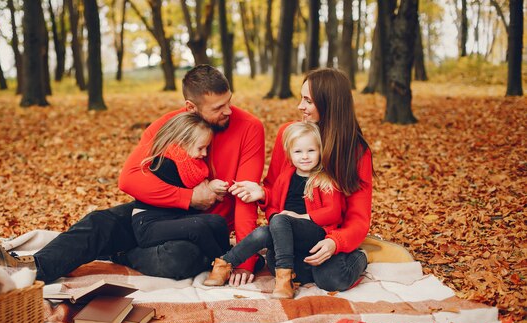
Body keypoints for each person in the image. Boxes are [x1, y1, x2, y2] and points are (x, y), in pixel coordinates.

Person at [0, 65, 265, 283]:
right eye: (218, 107)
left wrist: (245, 261)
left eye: (229, 101)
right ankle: (25, 268)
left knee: (179, 257)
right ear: (190, 107)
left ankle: (121, 253)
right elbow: (130, 179)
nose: (229, 111)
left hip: (200, 228)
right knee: (99, 222)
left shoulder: (249, 127)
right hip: (157, 212)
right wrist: (189, 197)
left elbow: (245, 197)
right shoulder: (170, 125)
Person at [228, 68, 413, 290]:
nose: (300, 106)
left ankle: (362, 255)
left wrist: (336, 242)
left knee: (331, 279)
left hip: (329, 234)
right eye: (301, 98)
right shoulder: (289, 134)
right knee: (279, 264)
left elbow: (358, 218)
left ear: (329, 104)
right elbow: (275, 189)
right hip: (293, 234)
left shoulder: (355, 151)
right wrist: (266, 199)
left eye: (308, 100)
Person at [204, 122, 344, 298]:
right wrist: (277, 218)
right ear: (290, 155)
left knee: (279, 220)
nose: (305, 157)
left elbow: (333, 212)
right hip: (284, 232)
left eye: (311, 151)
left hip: (313, 232)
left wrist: (301, 216)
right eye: (298, 152)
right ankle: (224, 264)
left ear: (320, 151)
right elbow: (273, 207)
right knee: (264, 232)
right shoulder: (285, 177)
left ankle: (284, 279)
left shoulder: (325, 179)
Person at [130, 112, 230, 262]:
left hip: (172, 217)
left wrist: (210, 187)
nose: (204, 153)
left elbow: (198, 192)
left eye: (207, 148)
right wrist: (208, 189)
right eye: (201, 148)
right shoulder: (165, 163)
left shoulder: (190, 166)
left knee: (218, 222)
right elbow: (194, 193)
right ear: (182, 142)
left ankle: (228, 254)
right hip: (148, 225)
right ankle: (223, 263)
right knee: (197, 227)